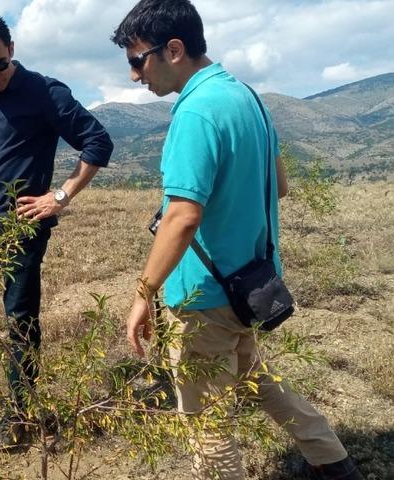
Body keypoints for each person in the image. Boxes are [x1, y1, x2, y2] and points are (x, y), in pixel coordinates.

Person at [114, 1, 362, 479]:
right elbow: (281, 185)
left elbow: (182, 217)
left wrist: (142, 294)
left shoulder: (196, 113)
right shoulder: (246, 97)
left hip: (204, 297)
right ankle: (332, 460)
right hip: (248, 284)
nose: (133, 76)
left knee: (207, 424)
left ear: (174, 49)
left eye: (136, 60)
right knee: (257, 377)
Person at [0, 12, 114, 452]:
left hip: (22, 227)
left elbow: (98, 142)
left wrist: (60, 197)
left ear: (11, 50)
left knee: (19, 318)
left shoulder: (46, 92)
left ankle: (21, 409)